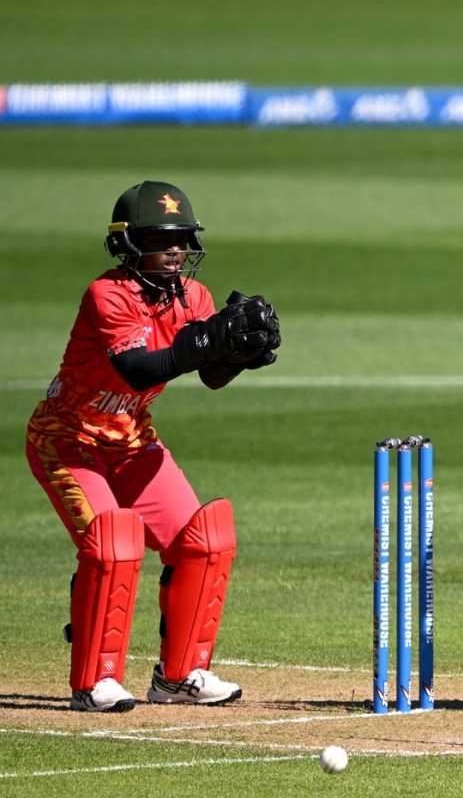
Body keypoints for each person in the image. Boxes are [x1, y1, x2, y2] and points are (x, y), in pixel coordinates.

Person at [25, 181, 281, 712]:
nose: (178, 249)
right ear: (129, 243)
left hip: (133, 440)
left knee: (204, 540)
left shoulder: (195, 297)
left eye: (184, 238)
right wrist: (205, 343)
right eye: (163, 238)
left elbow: (209, 376)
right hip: (68, 441)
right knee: (113, 543)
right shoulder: (107, 295)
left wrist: (240, 353)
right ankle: (94, 681)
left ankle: (180, 675)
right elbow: (138, 368)